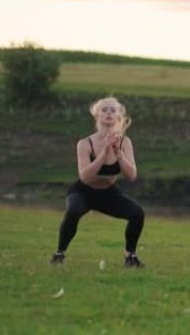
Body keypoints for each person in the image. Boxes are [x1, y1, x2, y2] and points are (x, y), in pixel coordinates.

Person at [50, 97, 145, 267]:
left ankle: (130, 256)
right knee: (73, 211)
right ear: (97, 116)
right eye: (104, 109)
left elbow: (131, 176)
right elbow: (85, 176)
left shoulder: (125, 142)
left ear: (119, 117)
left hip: (108, 193)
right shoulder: (85, 144)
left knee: (137, 214)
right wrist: (103, 154)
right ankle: (59, 253)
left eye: (113, 110)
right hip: (83, 191)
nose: (108, 113)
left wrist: (119, 154)